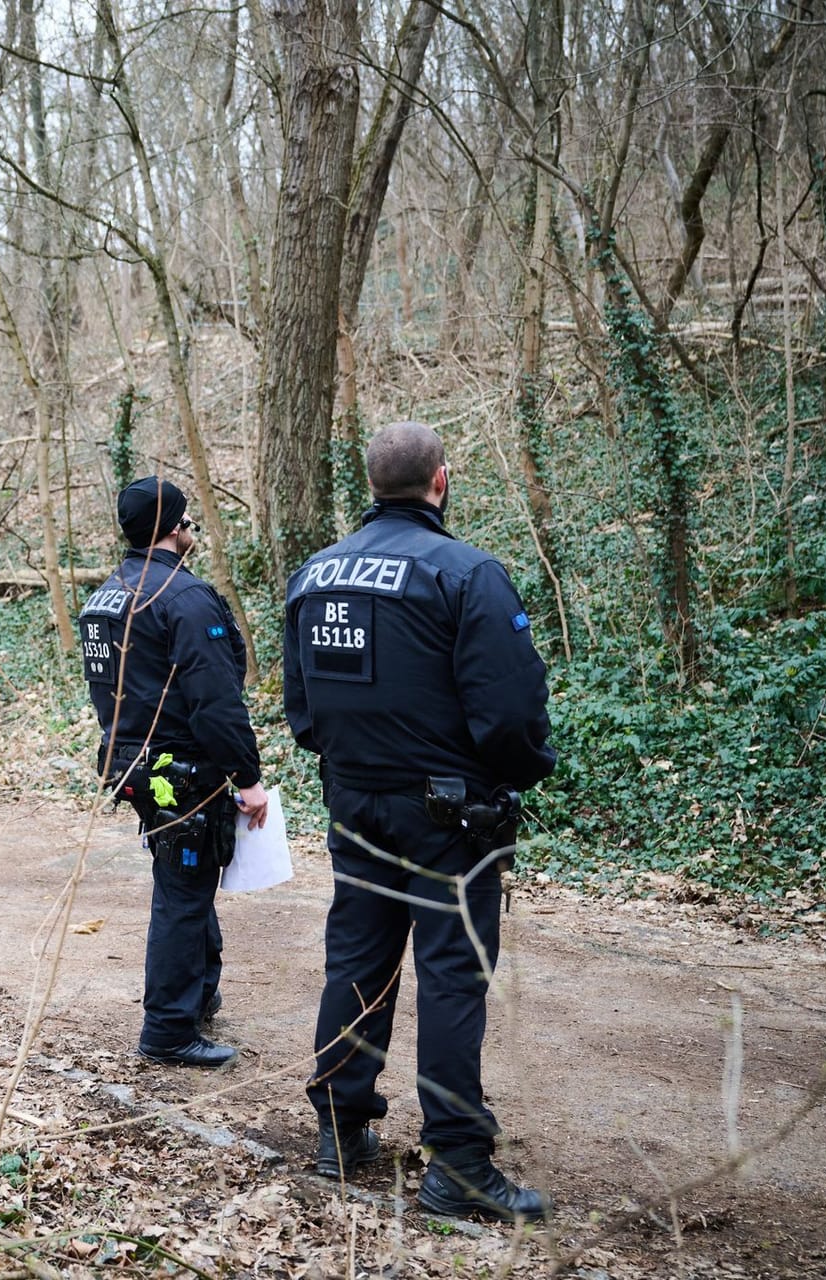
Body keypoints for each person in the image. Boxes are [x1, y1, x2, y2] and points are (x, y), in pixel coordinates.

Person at [282, 421, 556, 1222]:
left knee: (358, 960)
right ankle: (460, 1169)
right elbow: (511, 713)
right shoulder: (467, 574)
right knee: (450, 977)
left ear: (372, 484)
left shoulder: (315, 575)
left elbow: (302, 709)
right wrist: (513, 776)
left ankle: (341, 1130)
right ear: (441, 479)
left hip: (355, 801)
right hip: (448, 818)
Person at [80, 476, 271, 1069]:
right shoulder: (183, 598)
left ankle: (200, 997)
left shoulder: (106, 596)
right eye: (186, 521)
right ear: (174, 528)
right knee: (183, 895)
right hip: (183, 771)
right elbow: (216, 699)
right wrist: (247, 778)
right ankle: (167, 1029)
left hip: (133, 765)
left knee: (189, 881)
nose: (191, 530)